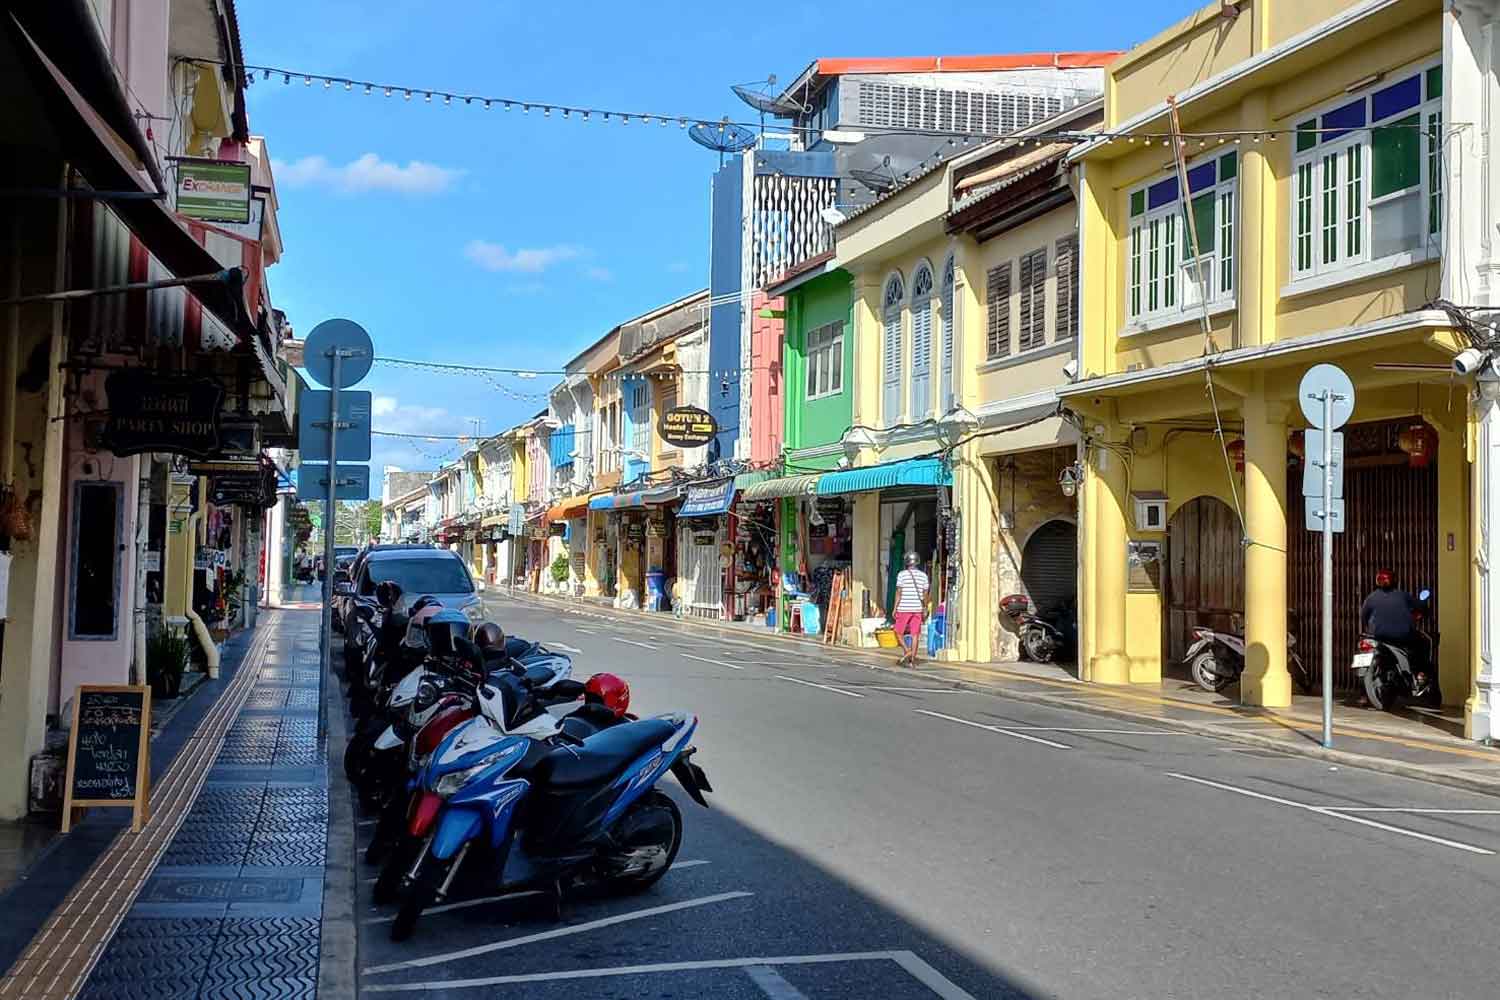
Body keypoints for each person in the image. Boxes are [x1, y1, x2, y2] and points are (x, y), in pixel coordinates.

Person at [1360, 568, 1433, 697]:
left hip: (1378, 637)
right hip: (1401, 637)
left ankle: (1364, 695)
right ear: (1394, 581)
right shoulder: (1402, 596)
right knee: (1422, 646)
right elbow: (1421, 607)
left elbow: (1364, 616)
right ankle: (1419, 677)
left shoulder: (1371, 598)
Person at [892, 551, 930, 668]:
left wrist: (895, 608)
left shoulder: (901, 575)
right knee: (915, 634)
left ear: (906, 562)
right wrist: (925, 607)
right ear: (917, 562)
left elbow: (899, 592)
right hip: (917, 608)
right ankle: (912, 659)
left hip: (904, 608)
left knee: (897, 632)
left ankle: (907, 650)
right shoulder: (923, 576)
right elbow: (925, 595)